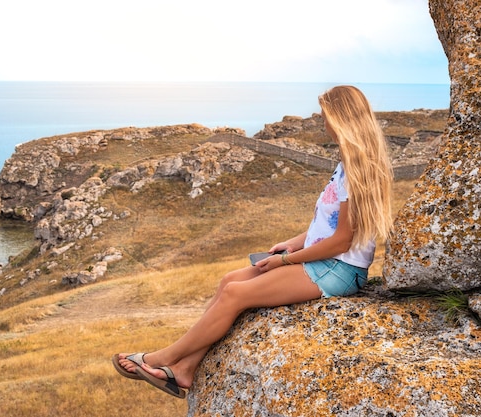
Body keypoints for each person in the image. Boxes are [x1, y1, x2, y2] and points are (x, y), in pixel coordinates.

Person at [112, 85, 394, 399]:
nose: (322, 123)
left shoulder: (359, 170)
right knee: (229, 281)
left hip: (338, 269)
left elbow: (342, 241)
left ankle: (162, 358)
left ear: (340, 119)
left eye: (325, 116)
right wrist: (293, 243)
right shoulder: (346, 164)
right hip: (323, 259)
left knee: (236, 294)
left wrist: (286, 261)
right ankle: (184, 369)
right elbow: (327, 228)